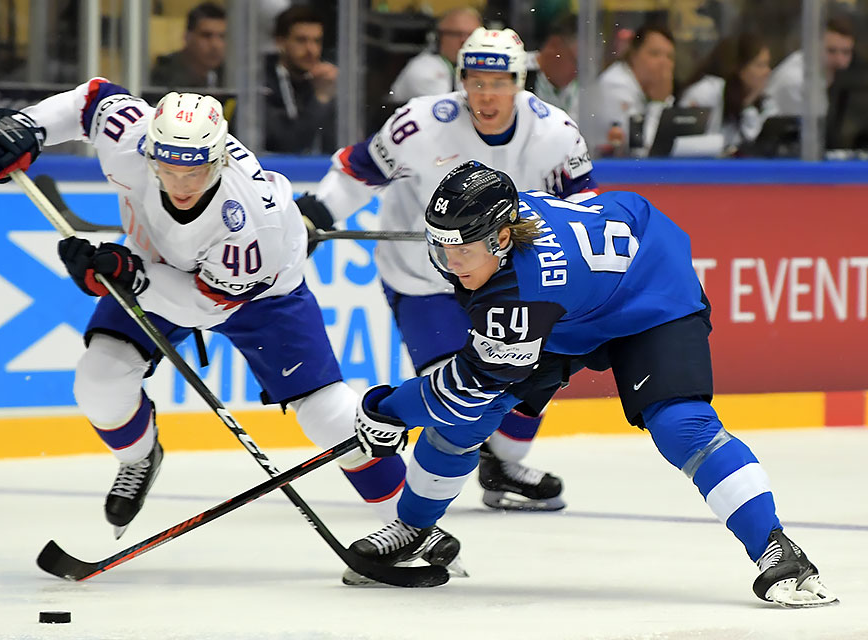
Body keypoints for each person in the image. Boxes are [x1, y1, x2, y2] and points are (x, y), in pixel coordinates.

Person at [0, 80, 460, 571]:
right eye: (167, 165)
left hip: (262, 294)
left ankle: (415, 526)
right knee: (98, 381)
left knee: (327, 415)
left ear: (220, 157)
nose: (180, 183)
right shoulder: (132, 139)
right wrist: (27, 128)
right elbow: (92, 99)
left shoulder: (251, 224)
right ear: (149, 148)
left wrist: (127, 276)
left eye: (195, 168)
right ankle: (140, 457)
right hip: (155, 263)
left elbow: (206, 307)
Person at [347, 160, 839, 608]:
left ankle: (777, 549)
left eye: (462, 250)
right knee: (471, 417)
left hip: (651, 292)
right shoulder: (499, 247)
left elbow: (461, 388)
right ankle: (413, 528)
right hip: (574, 305)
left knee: (681, 426)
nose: (450, 264)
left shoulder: (522, 292)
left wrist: (383, 410)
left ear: (500, 238)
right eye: (441, 246)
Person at [298, 27, 597, 520]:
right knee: (453, 391)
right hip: (426, 278)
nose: (486, 94)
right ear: (459, 80)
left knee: (527, 383)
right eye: (475, 81)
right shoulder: (420, 124)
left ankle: (500, 465)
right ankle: (429, 493)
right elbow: (359, 171)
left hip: (514, 281)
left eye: (498, 81)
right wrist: (316, 214)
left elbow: (583, 210)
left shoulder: (557, 134)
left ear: (520, 82)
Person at [583, 23, 676, 157]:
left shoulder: (644, 89)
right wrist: (659, 103)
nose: (664, 63)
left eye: (670, 57)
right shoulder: (615, 85)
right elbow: (643, 150)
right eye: (655, 54)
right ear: (633, 54)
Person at [679, 33, 777, 155]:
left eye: (768, 65)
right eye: (760, 65)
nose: (767, 72)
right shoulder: (705, 92)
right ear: (739, 69)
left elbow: (756, 144)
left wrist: (748, 105)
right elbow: (691, 145)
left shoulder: (764, 100)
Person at [264, 5, 338, 154]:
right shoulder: (262, 82)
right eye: (301, 40)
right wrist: (320, 100)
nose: (311, 49)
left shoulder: (327, 80)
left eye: (316, 41)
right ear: (280, 42)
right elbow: (285, 144)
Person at [388, 7, 483, 104]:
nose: (465, 41)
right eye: (457, 34)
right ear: (437, 37)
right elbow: (448, 109)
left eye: (472, 35)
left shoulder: (475, 70)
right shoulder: (422, 69)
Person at [767, 14, 854, 119]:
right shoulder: (796, 80)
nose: (839, 60)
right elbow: (809, 131)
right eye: (831, 51)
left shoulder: (826, 77)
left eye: (846, 52)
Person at [149, 2, 227, 89]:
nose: (215, 45)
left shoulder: (229, 75)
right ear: (187, 37)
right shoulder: (162, 76)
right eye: (206, 35)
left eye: (222, 36)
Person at [526, 13, 579, 116]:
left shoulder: (578, 90)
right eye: (575, 62)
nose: (576, 72)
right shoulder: (515, 73)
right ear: (554, 45)